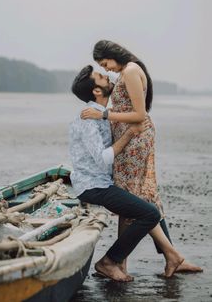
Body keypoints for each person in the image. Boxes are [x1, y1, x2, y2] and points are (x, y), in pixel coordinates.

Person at [81, 40, 202, 274]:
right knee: (145, 197)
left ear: (112, 55)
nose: (107, 69)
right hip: (132, 140)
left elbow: (139, 114)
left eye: (105, 63)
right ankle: (170, 257)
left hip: (135, 141)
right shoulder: (126, 72)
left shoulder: (132, 70)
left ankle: (118, 261)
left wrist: (104, 115)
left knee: (131, 199)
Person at [70, 65, 184, 282]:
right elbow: (103, 158)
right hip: (93, 187)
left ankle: (170, 256)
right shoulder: (88, 119)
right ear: (96, 90)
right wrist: (131, 132)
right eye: (102, 77)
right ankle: (108, 261)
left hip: (101, 183)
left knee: (146, 201)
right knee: (149, 213)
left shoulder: (101, 114)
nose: (109, 76)